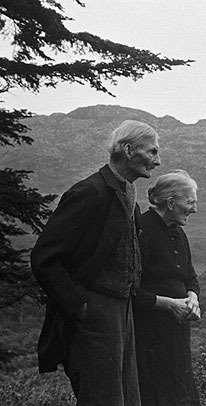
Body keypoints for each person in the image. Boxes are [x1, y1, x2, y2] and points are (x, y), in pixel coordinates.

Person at [31, 120, 161, 406]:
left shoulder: (128, 195)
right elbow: (44, 258)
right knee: (102, 398)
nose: (157, 160)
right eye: (151, 152)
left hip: (121, 310)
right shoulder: (90, 192)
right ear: (128, 150)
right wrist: (79, 304)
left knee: (125, 397)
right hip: (95, 312)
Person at [133, 170, 201, 406]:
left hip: (176, 331)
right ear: (171, 203)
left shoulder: (179, 233)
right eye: (190, 202)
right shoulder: (140, 230)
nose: (194, 209)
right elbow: (129, 291)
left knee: (180, 390)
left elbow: (190, 277)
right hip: (149, 333)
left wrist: (193, 299)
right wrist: (169, 304)